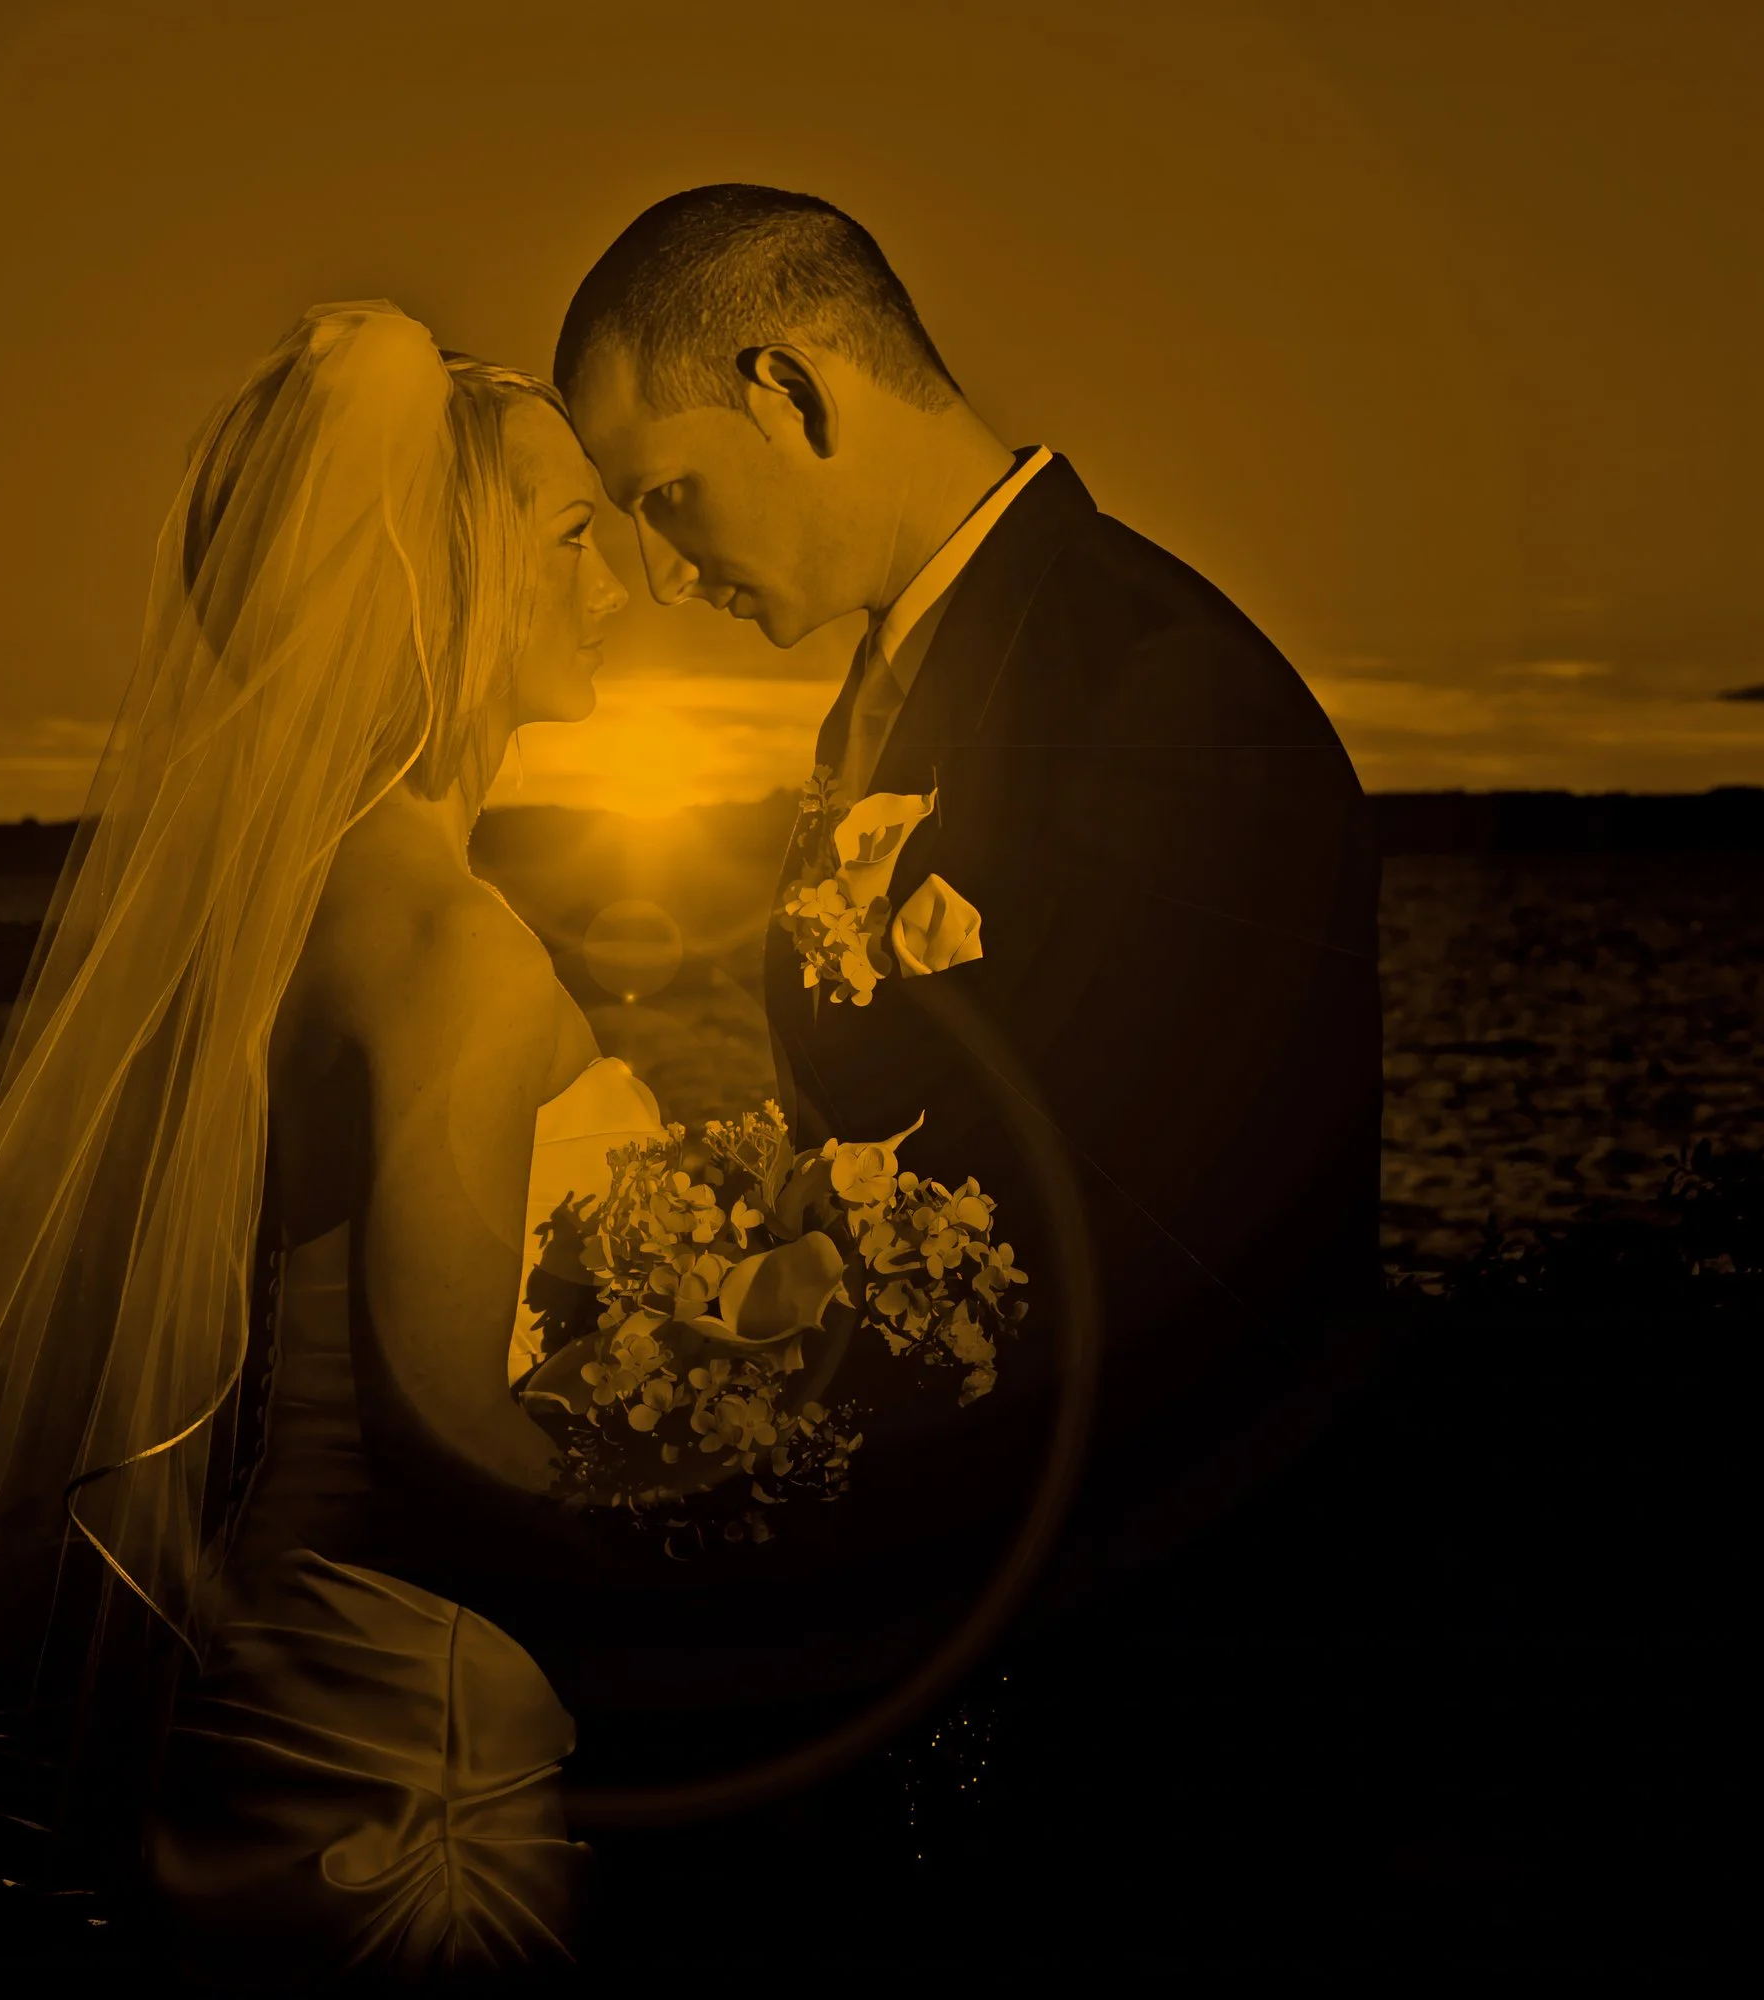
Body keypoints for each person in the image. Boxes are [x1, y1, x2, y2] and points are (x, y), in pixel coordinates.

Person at [0, 303, 652, 1986]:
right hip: (401, 1733)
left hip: (278, 1664)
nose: (624, 586)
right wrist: (760, 1540)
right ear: (443, 573)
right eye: (577, 537)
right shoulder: (454, 947)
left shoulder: (293, 907)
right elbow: (441, 1422)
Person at [556, 185, 1386, 1729]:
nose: (663, 573)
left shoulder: (1155, 685)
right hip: (956, 1620)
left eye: (663, 496)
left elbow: (1169, 1249)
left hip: (1149, 1663)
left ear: (788, 392)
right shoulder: (889, 685)